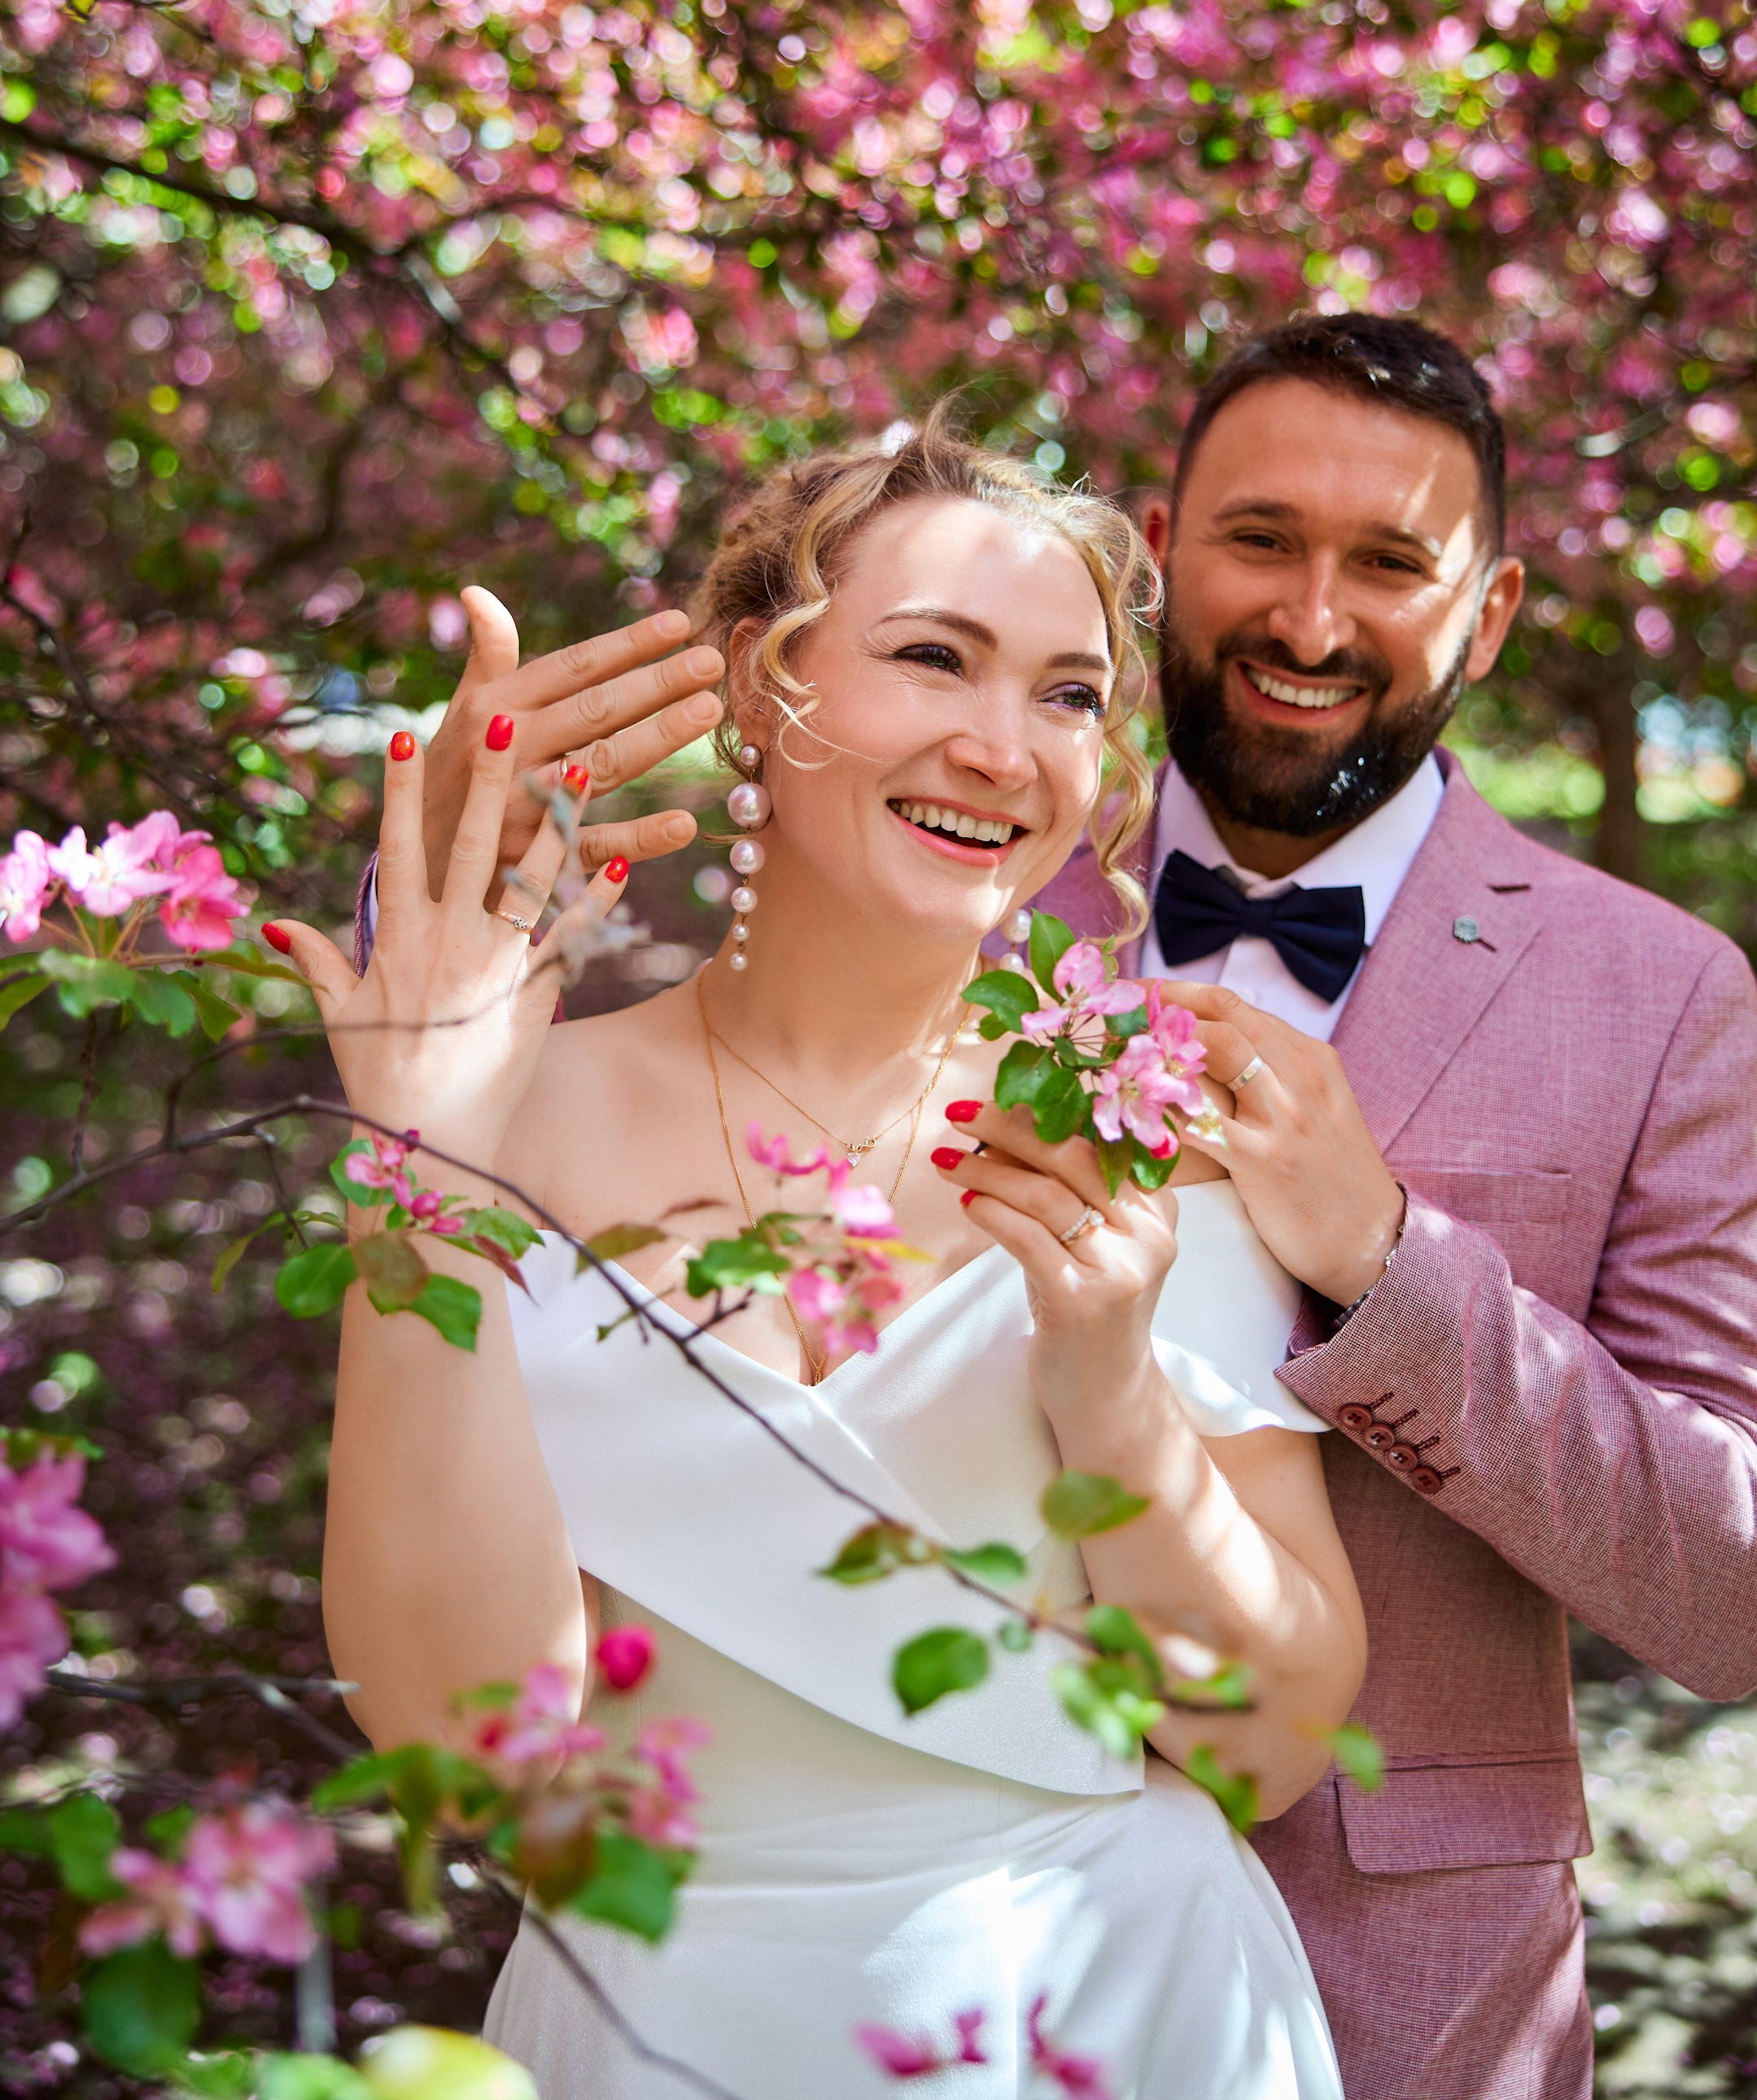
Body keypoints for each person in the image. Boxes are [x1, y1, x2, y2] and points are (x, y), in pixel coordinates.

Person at [277, 414, 1362, 2100]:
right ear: (751, 687)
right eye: (935, 658)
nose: (1007, 746)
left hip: (1120, 2004)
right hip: (660, 2024)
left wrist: (1111, 1396)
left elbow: (1277, 1746)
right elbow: (473, 1755)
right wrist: (419, 1152)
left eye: (1070, 693)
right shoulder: (505, 1112)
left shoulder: (1137, 1118)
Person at [1039, 313, 1757, 2100]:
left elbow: (1731, 1599)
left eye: (1389, 563)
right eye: (1262, 540)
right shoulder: (944, 899)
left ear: (1487, 615)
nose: (1307, 620)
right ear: (1156, 558)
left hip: (1408, 1983)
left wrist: (1387, 1268)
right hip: (944, 1901)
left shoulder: (1663, 995)